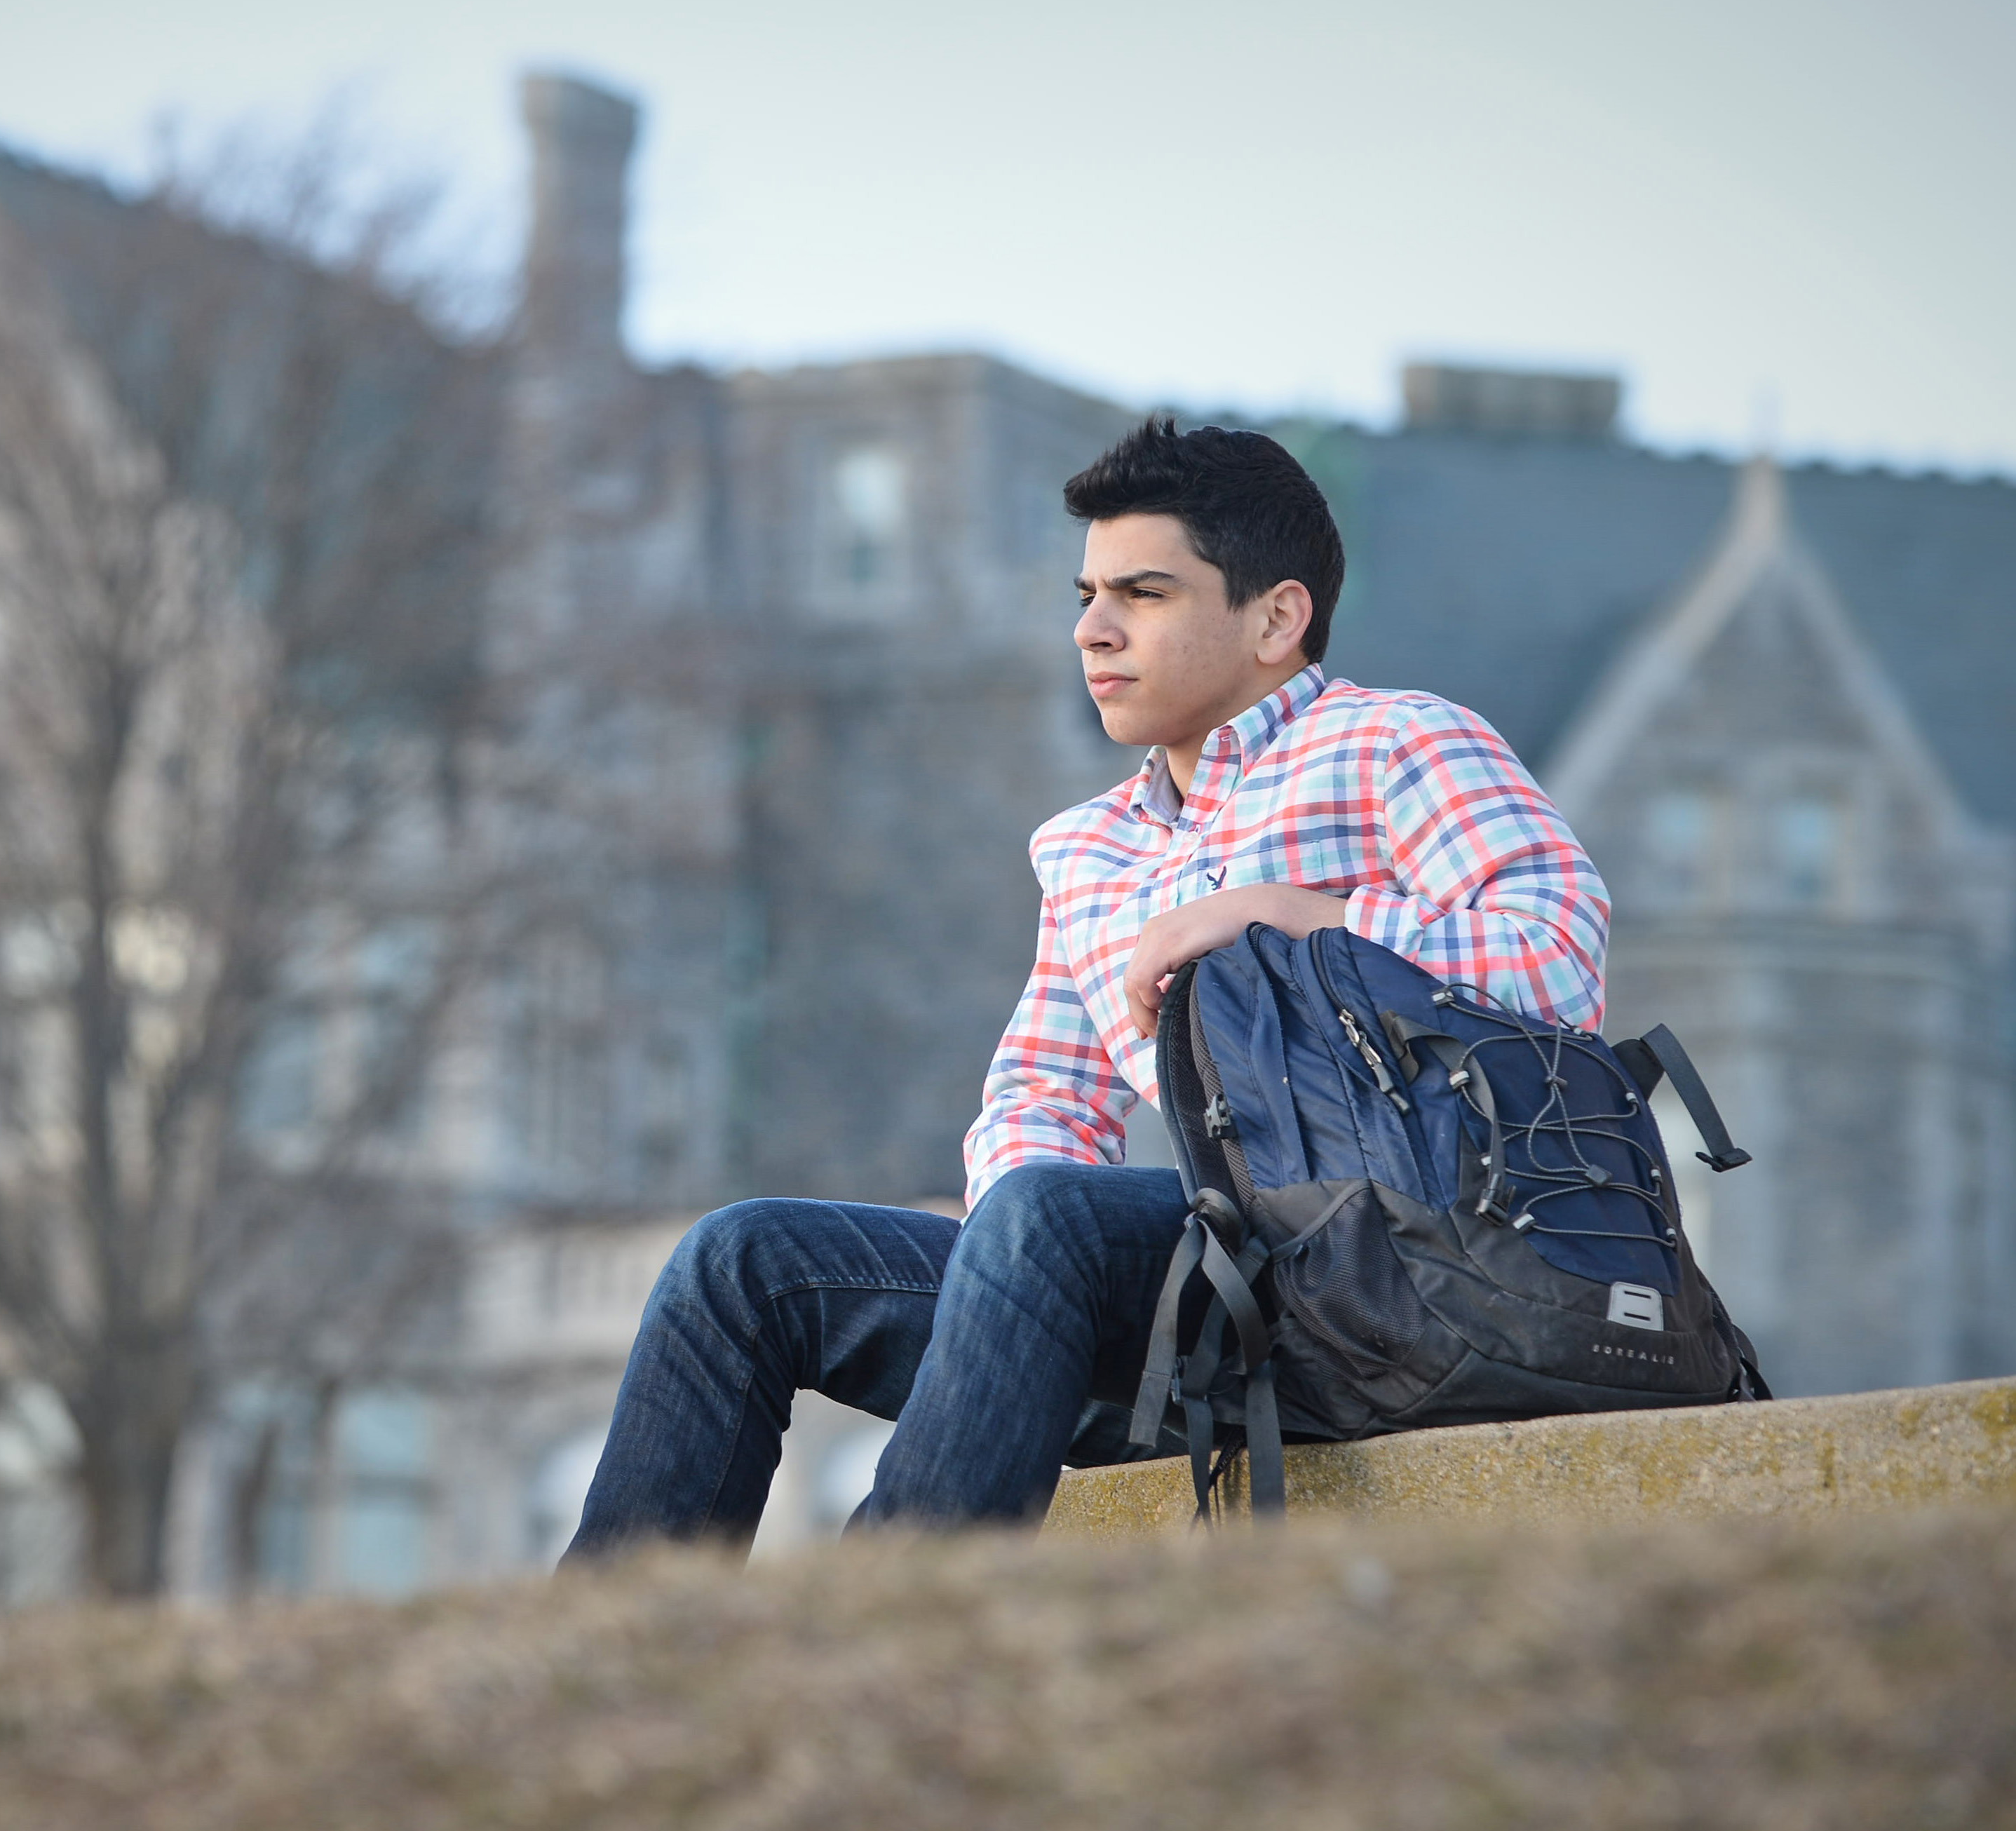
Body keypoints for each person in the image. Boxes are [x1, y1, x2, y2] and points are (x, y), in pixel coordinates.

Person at [560, 417, 1610, 1555]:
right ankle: (598, 1678)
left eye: (1142, 594)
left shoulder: (1401, 743)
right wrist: (999, 1258)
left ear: (1276, 615)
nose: (1091, 631)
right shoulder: (1087, 848)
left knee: (1049, 1215)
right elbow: (1041, 1098)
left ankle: (868, 1624)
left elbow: (1558, 961)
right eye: (1086, 594)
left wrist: (1291, 914)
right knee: (743, 1260)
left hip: (1403, 1265)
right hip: (1197, 1297)